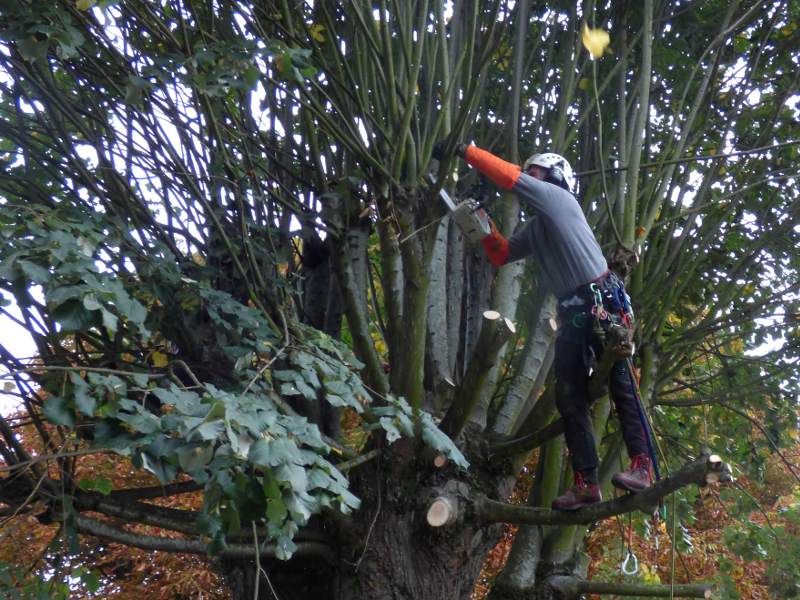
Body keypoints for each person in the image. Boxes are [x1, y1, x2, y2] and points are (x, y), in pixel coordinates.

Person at [432, 141, 652, 510]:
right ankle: (586, 482)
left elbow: (511, 178)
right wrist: (483, 227)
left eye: (534, 173)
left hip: (601, 304)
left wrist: (464, 151)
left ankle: (642, 466)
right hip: (572, 313)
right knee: (568, 396)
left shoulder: (559, 199)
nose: (529, 180)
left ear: (553, 177)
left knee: (621, 384)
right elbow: (502, 254)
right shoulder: (538, 227)